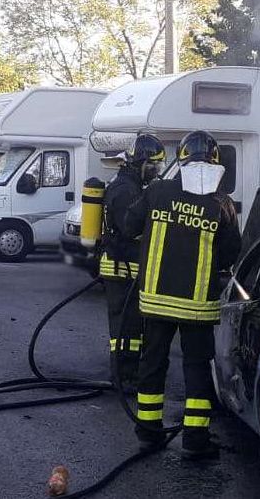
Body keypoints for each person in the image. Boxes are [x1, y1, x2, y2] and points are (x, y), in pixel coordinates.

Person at [126, 130, 242, 458]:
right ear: (216, 161)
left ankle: (148, 432)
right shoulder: (222, 203)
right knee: (196, 369)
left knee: (152, 363)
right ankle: (195, 440)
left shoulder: (158, 190)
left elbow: (128, 224)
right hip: (197, 308)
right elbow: (233, 251)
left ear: (181, 158)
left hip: (156, 301)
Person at [97, 132, 165, 391]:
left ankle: (125, 372)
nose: (156, 170)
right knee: (126, 328)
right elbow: (129, 229)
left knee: (127, 326)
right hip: (122, 268)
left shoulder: (128, 184)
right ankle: (125, 376)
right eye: (154, 165)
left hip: (122, 266)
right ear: (141, 162)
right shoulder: (127, 190)